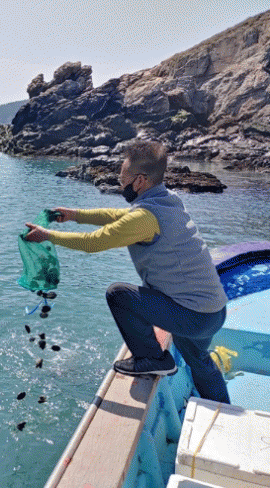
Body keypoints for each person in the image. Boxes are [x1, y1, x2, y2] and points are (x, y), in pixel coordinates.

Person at [24, 139, 230, 403]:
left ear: (140, 181)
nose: (120, 184)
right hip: (213, 312)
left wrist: (48, 235)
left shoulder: (145, 218)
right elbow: (117, 215)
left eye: (123, 179)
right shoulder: (169, 199)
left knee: (119, 295)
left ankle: (153, 359)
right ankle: (222, 409)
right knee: (199, 360)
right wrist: (75, 215)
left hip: (193, 316)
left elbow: (93, 242)